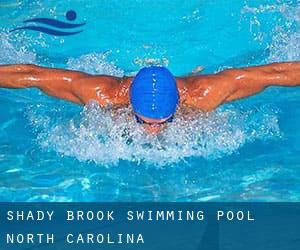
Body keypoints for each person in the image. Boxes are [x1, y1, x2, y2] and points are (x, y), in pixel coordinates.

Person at [0, 62, 299, 134]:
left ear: (177, 107)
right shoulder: (101, 93)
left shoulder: (204, 94)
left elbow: (273, 74)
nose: (153, 132)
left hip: (191, 84)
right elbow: (31, 75)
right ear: (130, 105)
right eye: (143, 121)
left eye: (163, 122)